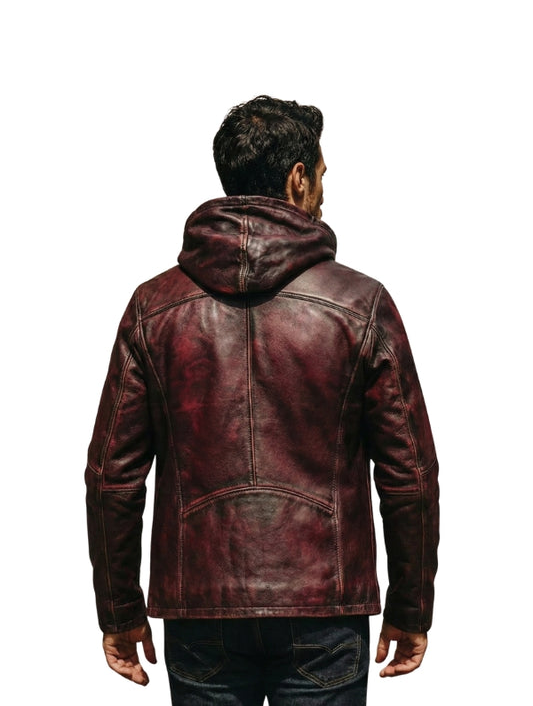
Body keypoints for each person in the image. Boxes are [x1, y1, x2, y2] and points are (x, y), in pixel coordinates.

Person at [86, 95, 439, 705]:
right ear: (298, 179)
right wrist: (411, 608)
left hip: (200, 610)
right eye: (321, 174)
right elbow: (408, 474)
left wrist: (119, 610)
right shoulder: (361, 305)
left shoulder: (153, 307)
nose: (325, 192)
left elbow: (112, 477)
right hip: (325, 609)